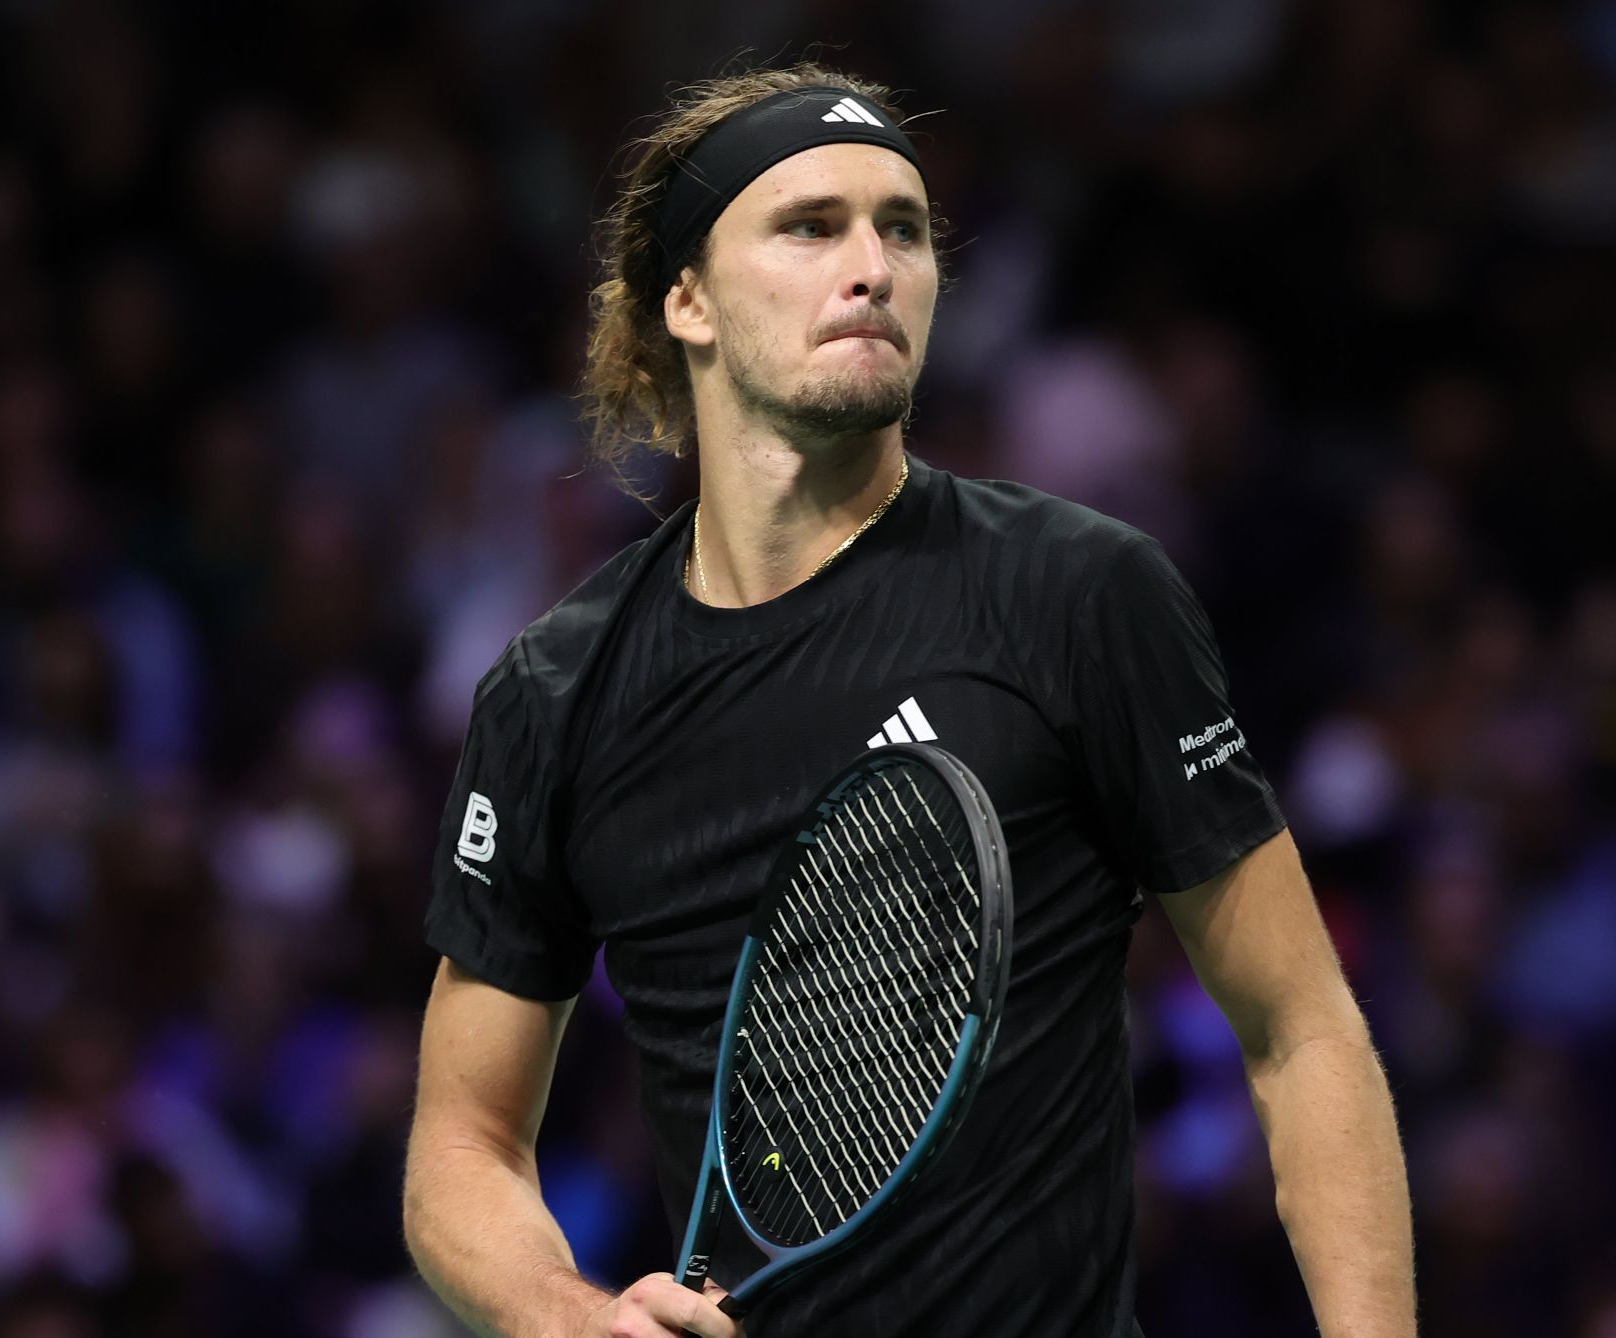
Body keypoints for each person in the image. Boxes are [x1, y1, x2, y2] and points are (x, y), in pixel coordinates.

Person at [401, 64, 1417, 1338]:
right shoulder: (556, 691)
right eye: (810, 227)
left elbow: (1298, 1029)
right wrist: (565, 1315)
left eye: (904, 228)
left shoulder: (1074, 593)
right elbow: (462, 1146)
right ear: (687, 300)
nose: (873, 267)